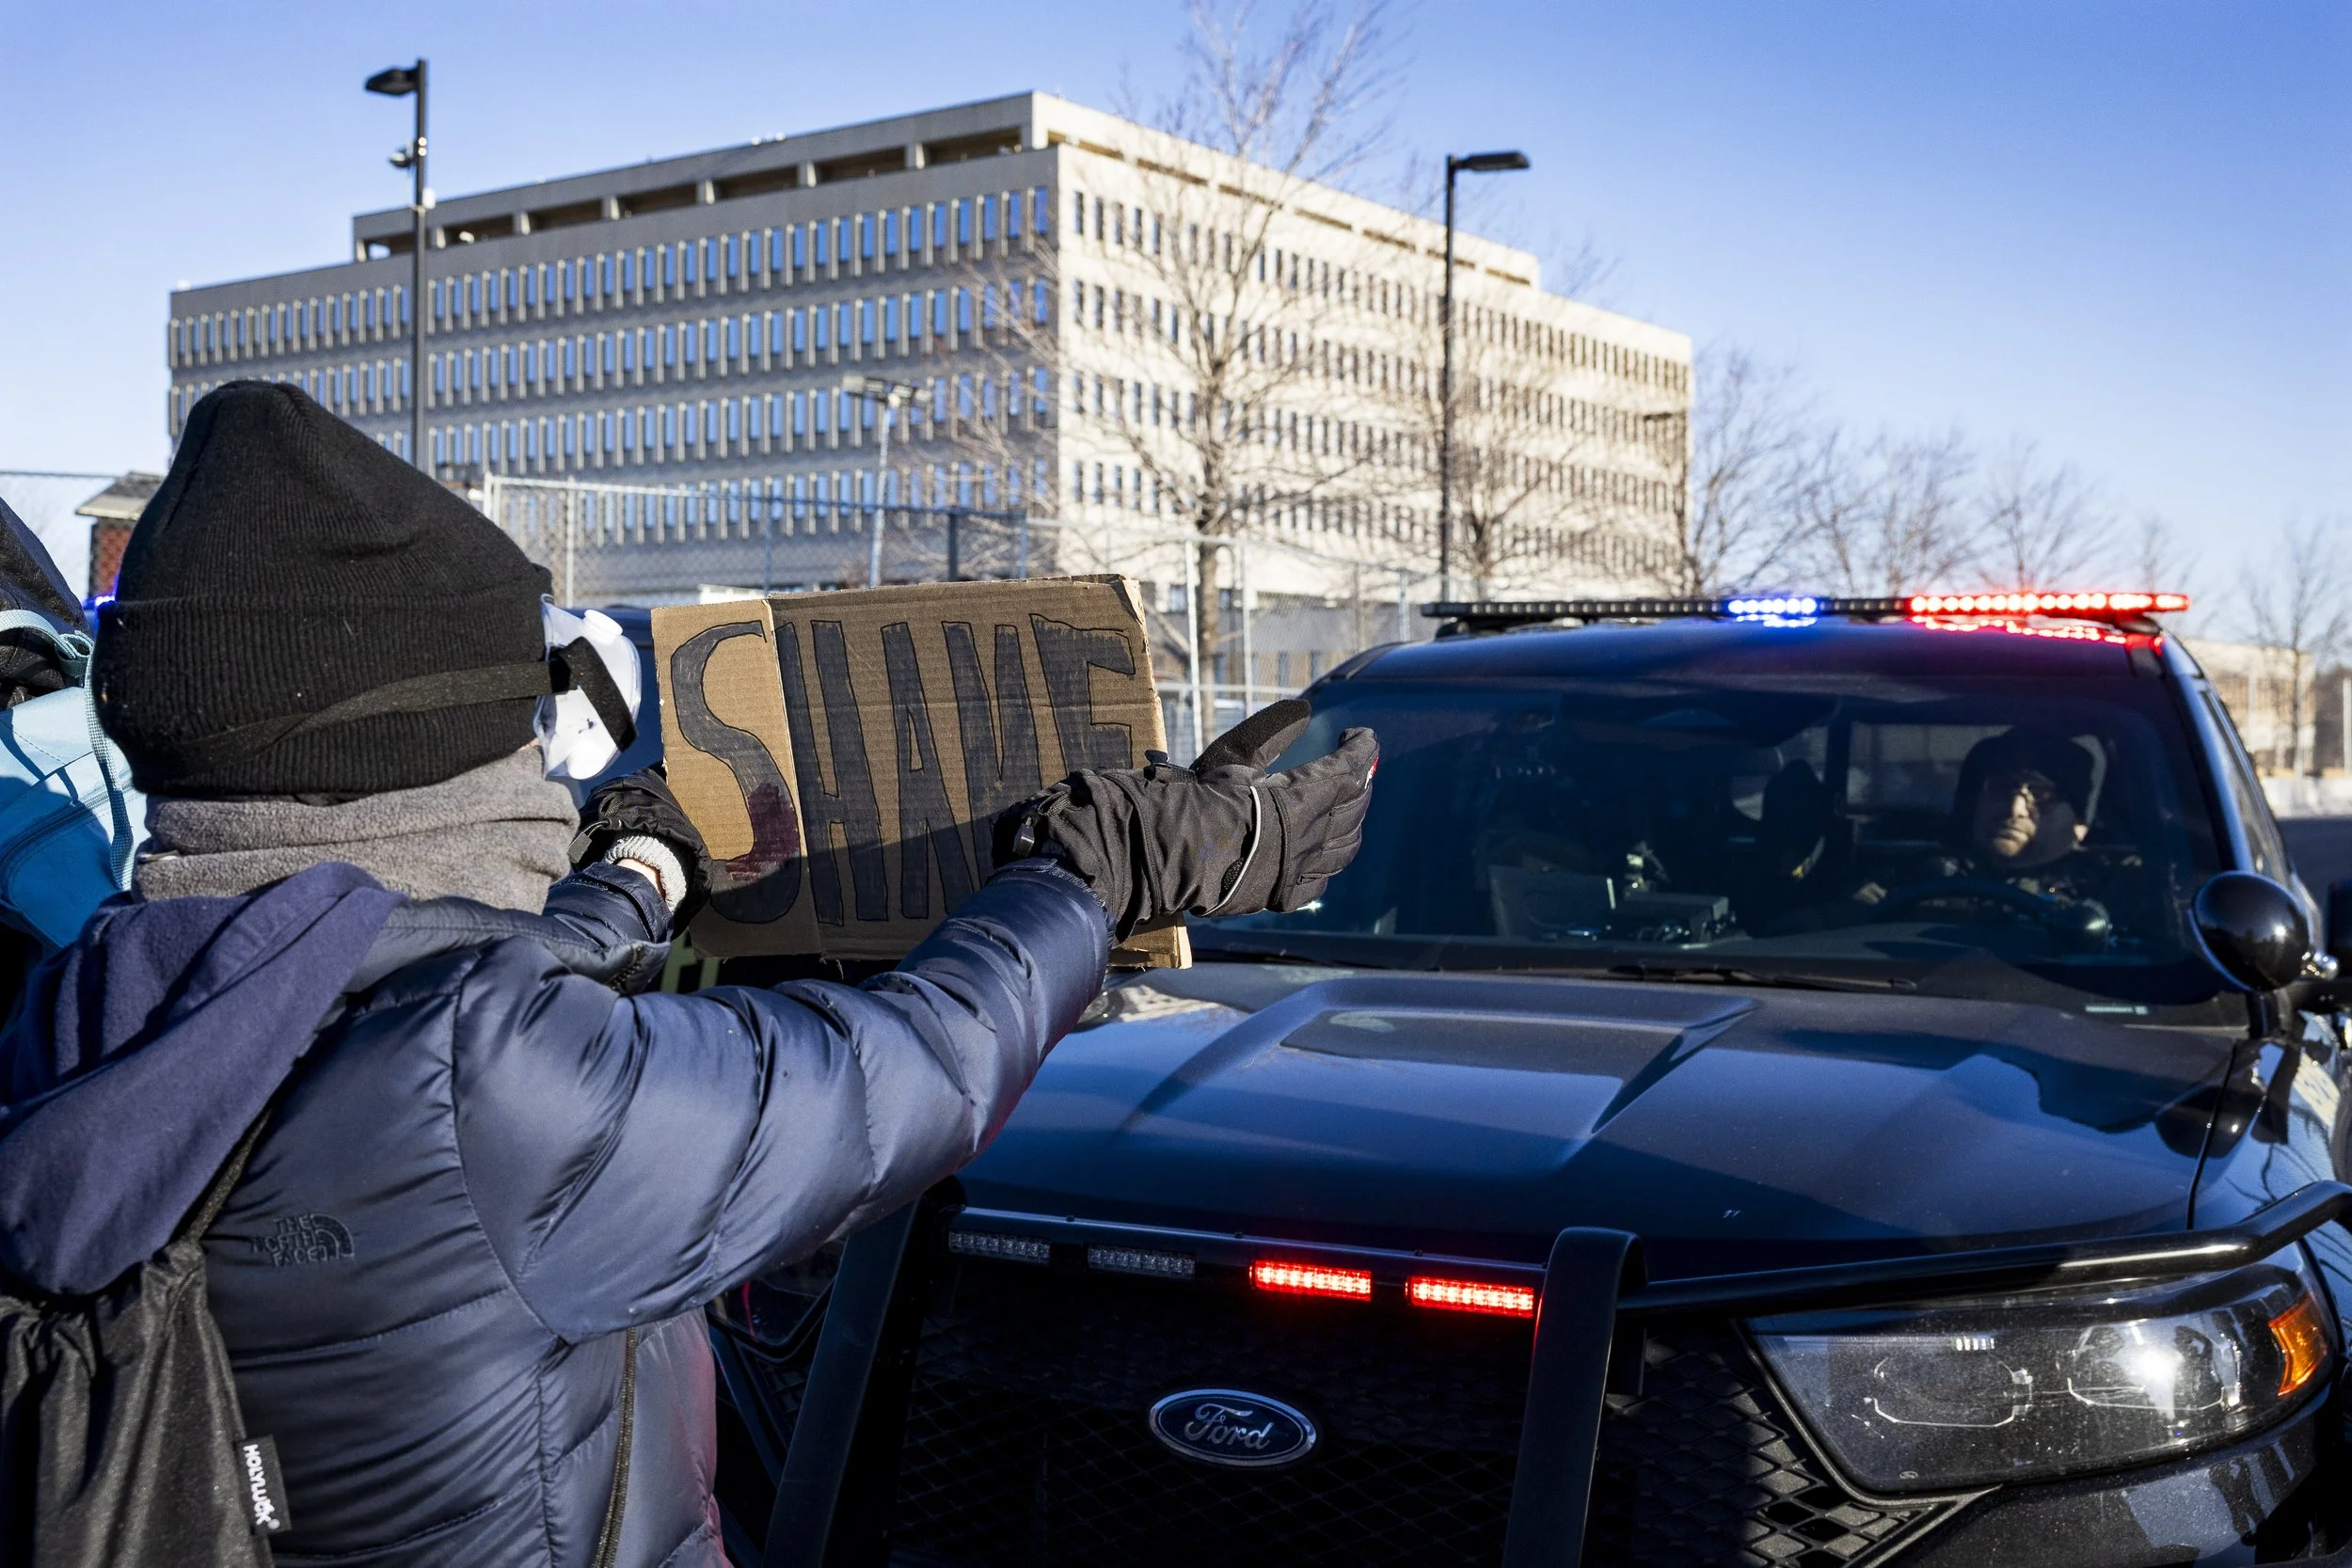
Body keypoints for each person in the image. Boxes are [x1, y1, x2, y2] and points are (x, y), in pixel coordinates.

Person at [0, 382, 1375, 1568]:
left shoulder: (86, 1009)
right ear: (432, 771)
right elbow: (904, 1077)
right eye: (521, 738)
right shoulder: (489, 1083)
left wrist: (638, 879)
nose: (544, 761)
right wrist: (1096, 872)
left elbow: (379, 977)